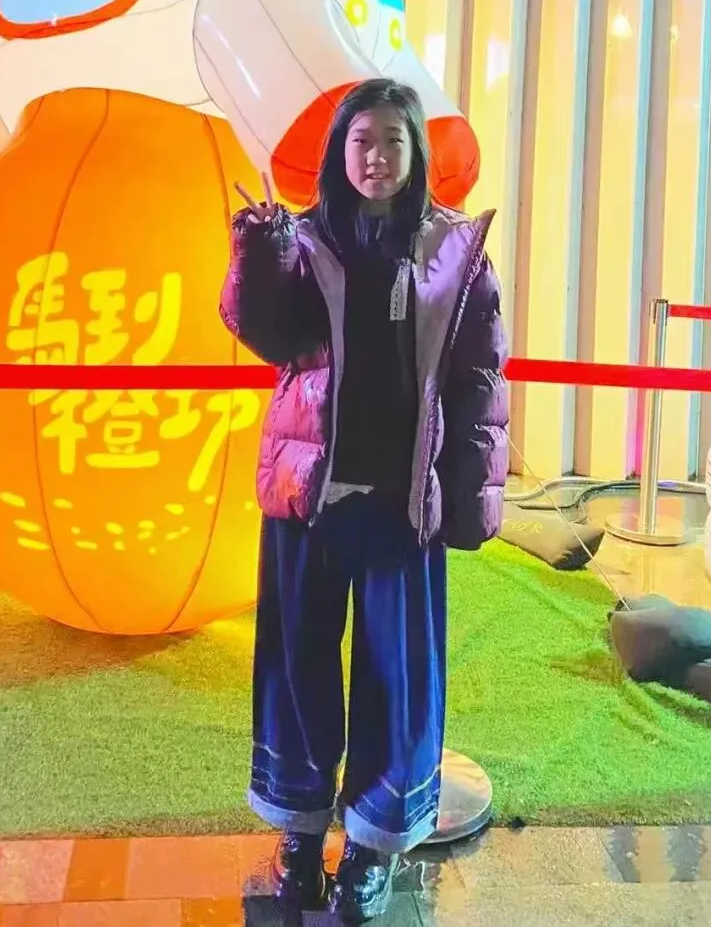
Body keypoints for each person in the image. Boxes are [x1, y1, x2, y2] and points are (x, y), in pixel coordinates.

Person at [219, 78, 508, 922]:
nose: (376, 156)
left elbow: (480, 380)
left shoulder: (455, 251)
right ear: (338, 153)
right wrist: (256, 250)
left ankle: (371, 849)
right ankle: (300, 839)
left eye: (391, 140)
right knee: (297, 672)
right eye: (361, 141)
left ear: (415, 151)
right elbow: (262, 330)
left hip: (400, 507)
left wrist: (471, 497)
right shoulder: (303, 240)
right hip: (309, 497)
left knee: (396, 681)